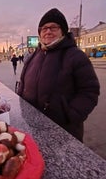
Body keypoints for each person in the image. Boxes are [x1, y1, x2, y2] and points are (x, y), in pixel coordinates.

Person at [17, 8, 100, 142]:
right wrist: (22, 107)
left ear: (63, 31)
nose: (48, 31)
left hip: (64, 131)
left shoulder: (76, 56)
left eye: (53, 27)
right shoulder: (34, 56)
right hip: (33, 126)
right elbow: (22, 83)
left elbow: (90, 91)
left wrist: (71, 115)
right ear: (40, 33)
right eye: (44, 28)